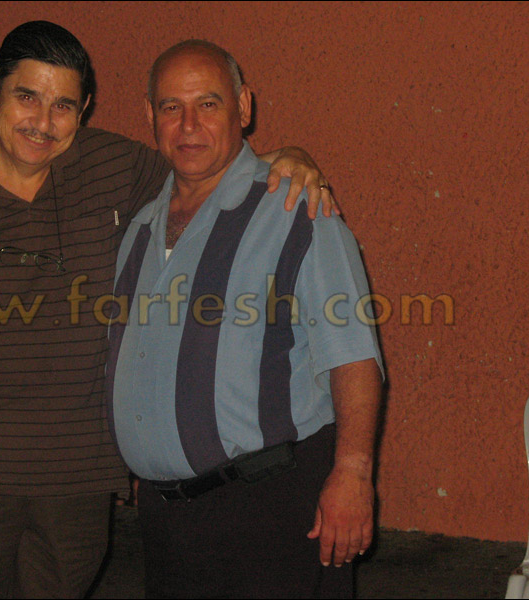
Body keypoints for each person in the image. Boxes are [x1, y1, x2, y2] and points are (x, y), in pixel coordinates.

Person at [0, 21, 336, 599]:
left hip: (72, 484)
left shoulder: (113, 169)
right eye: (27, 97)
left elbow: (207, 167)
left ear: (85, 110)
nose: (43, 122)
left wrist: (285, 159)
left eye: (63, 106)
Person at [107, 40, 384, 598]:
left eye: (208, 104)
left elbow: (353, 357)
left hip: (272, 510)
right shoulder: (140, 229)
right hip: (167, 520)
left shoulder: (299, 210)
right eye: (171, 107)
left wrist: (353, 474)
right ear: (149, 115)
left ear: (244, 107)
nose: (188, 125)